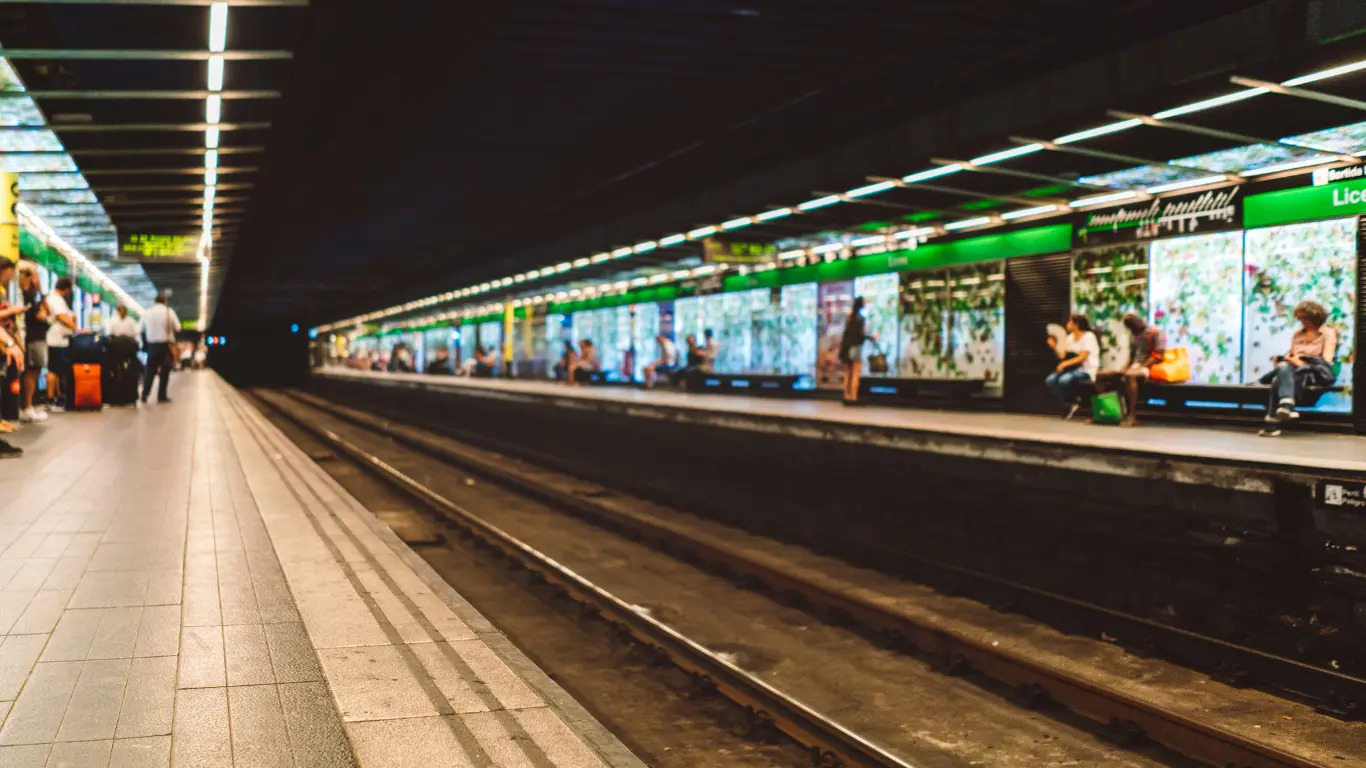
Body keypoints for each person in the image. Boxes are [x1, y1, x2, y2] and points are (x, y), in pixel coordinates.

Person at [1259, 300, 1338, 437]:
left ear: (1315, 317)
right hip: (1293, 370)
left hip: (1312, 373)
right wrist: (1285, 359)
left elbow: (1326, 360)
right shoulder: (1297, 334)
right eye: (1300, 318)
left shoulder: (1327, 333)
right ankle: (1286, 407)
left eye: (1305, 318)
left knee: (1279, 375)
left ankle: (1273, 421)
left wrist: (1301, 363)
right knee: (1281, 372)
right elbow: (1292, 354)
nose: (1302, 321)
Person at [1095, 312, 1165, 426]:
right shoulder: (1133, 335)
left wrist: (1140, 367)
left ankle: (1132, 416)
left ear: (1138, 321)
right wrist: (1124, 368)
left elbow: (1159, 356)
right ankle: (1109, 412)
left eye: (1132, 325)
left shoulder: (1156, 332)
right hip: (1134, 366)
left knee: (1130, 376)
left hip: (1150, 367)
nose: (1131, 329)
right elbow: (1132, 355)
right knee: (1101, 375)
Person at [1045, 313, 1100, 420]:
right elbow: (1062, 355)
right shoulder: (1069, 338)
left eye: (1069, 322)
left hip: (1086, 369)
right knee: (1050, 380)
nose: (1067, 324)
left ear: (1076, 324)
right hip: (1072, 369)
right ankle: (1071, 402)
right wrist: (1054, 346)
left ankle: (1079, 401)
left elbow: (1082, 357)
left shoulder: (1088, 336)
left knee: (1065, 380)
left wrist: (1065, 364)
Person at [44, 277, 84, 410]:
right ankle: (50, 400)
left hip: (60, 339)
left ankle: (57, 397)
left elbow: (70, 316)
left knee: (57, 370)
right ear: (67, 290)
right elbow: (62, 317)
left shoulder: (58, 299)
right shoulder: (54, 299)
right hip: (54, 339)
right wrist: (76, 328)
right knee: (53, 370)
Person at [139, 291, 180, 404]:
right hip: (165, 346)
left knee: (150, 371)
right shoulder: (169, 312)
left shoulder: (147, 312)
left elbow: (141, 329)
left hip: (152, 346)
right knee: (165, 372)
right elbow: (178, 327)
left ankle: (144, 394)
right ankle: (161, 396)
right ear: (165, 301)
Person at [18, 266, 48, 423]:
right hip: (33, 337)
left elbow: (46, 312)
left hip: (37, 337)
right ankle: (26, 406)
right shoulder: (27, 295)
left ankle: (28, 406)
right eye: (36, 276)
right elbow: (42, 316)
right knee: (32, 371)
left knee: (35, 371)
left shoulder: (33, 296)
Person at [840, 297, 877, 405]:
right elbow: (861, 335)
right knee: (855, 372)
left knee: (848, 372)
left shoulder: (849, 318)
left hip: (847, 348)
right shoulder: (861, 319)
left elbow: (846, 334)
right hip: (856, 348)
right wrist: (871, 338)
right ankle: (853, 395)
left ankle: (846, 394)